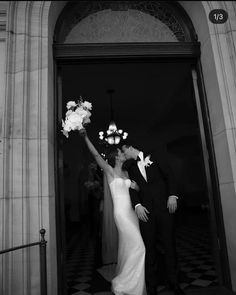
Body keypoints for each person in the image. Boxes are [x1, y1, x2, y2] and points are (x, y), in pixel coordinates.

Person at [79, 128, 146, 295]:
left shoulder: (126, 171)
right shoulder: (109, 170)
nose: (123, 152)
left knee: (130, 247)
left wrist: (135, 186)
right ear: (116, 156)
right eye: (120, 152)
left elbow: (134, 188)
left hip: (132, 213)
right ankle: (124, 284)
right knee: (140, 247)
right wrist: (86, 136)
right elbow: (95, 155)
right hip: (122, 214)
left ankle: (134, 285)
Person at [122, 143, 184, 295]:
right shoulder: (131, 168)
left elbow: (170, 175)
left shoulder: (155, 156)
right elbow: (133, 189)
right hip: (146, 212)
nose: (124, 156)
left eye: (124, 152)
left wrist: (172, 195)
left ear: (130, 148)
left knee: (169, 245)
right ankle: (152, 285)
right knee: (149, 248)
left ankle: (173, 282)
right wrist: (137, 205)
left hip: (164, 209)